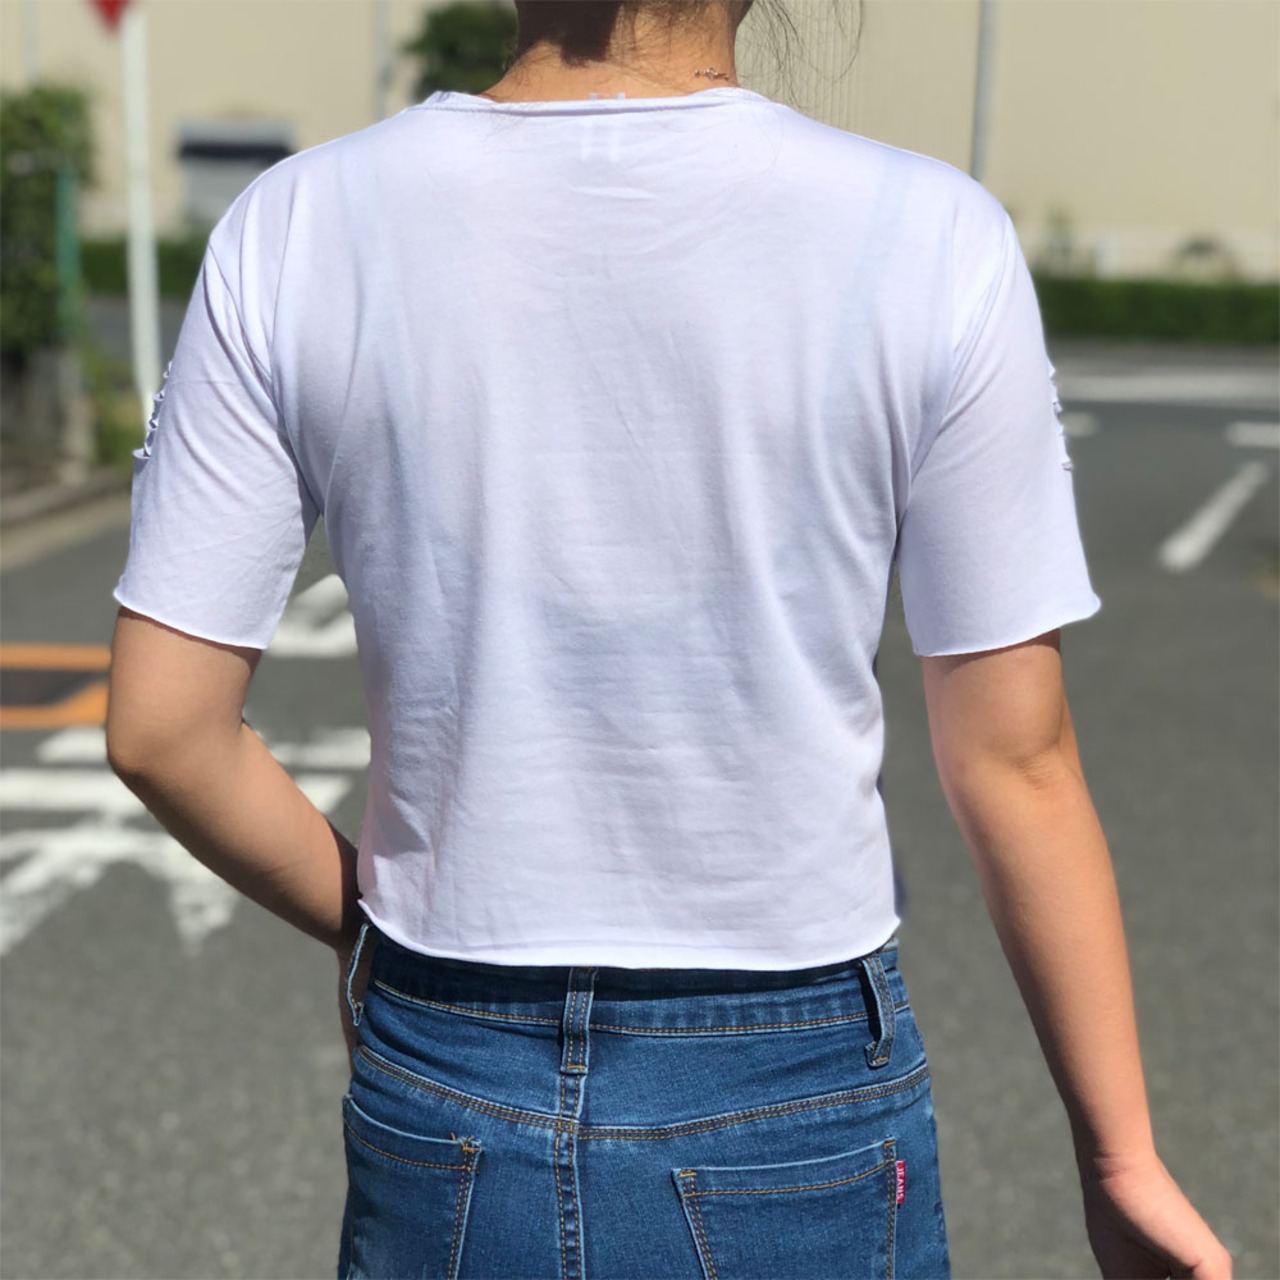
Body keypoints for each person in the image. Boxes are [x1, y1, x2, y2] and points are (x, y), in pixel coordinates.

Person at [105, 1, 1233, 1276]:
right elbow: (1012, 760)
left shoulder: (299, 223)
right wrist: (1118, 1157)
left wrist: (367, 931)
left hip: (449, 1047)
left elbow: (163, 728)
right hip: (792, 1065)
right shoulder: (927, 234)